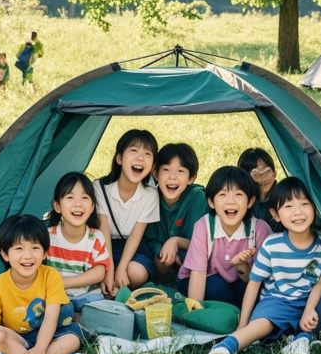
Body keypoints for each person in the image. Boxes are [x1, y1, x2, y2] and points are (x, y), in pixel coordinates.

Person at [204, 177, 321, 354]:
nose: (298, 212)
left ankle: (301, 342)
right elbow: (253, 283)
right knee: (260, 326)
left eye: (304, 204)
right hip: (276, 301)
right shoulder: (272, 244)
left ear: (315, 208)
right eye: (288, 206)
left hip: (309, 301)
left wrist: (310, 307)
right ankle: (225, 348)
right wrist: (243, 323)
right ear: (275, 214)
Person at [0, 215, 89, 354]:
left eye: (35, 248)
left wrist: (40, 348)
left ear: (44, 253)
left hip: (53, 334)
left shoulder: (51, 276)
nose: (28, 256)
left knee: (73, 340)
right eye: (19, 248)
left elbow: (51, 316)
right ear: (5, 254)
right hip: (19, 338)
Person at [177, 166, 271, 308]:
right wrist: (196, 311)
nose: (230, 201)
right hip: (202, 281)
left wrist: (242, 266)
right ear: (211, 202)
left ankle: (236, 316)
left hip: (241, 282)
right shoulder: (204, 226)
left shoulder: (259, 230)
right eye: (223, 194)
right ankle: (231, 313)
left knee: (252, 291)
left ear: (250, 201)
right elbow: (198, 274)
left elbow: (258, 281)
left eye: (238, 194)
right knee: (216, 287)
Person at [93, 129, 160, 295]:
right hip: (102, 244)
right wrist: (109, 270)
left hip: (132, 246)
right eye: (134, 150)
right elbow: (104, 231)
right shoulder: (99, 187)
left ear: (153, 165)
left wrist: (121, 268)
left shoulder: (150, 195)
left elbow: (136, 235)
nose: (140, 158)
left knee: (135, 273)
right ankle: (111, 287)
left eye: (147, 153)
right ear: (119, 158)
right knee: (99, 273)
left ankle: (118, 289)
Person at [143, 143, 209, 283]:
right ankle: (164, 288)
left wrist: (176, 242)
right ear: (155, 173)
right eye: (166, 170)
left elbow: (200, 242)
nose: (172, 177)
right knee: (162, 258)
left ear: (191, 178)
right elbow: (151, 240)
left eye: (180, 171)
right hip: (164, 262)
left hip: (195, 263)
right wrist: (164, 250)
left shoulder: (197, 198)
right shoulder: (151, 198)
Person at [45, 172, 110, 316]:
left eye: (85, 198)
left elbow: (99, 273)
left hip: (88, 297)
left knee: (98, 312)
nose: (78, 204)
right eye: (70, 197)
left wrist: (63, 283)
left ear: (92, 206)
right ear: (57, 206)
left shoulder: (95, 238)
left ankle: (76, 320)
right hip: (57, 297)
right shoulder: (48, 237)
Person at [238, 148, 279, 231]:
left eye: (267, 171)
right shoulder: (240, 201)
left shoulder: (284, 196)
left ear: (274, 172)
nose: (262, 177)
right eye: (255, 173)